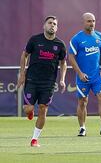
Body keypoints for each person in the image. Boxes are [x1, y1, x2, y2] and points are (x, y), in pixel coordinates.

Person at [16, 15, 67, 147]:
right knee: (28, 109)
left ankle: (34, 139)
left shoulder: (60, 45)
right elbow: (24, 55)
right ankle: (30, 112)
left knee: (43, 108)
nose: (52, 25)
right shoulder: (34, 40)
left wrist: (62, 79)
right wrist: (22, 74)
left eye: (55, 24)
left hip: (48, 83)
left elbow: (63, 63)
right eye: (50, 23)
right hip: (32, 79)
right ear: (44, 26)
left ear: (57, 27)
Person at [68, 12, 101, 137]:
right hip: (83, 77)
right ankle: (82, 128)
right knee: (83, 101)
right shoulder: (76, 39)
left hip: (97, 76)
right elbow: (71, 57)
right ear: (83, 22)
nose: (91, 23)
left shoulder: (99, 36)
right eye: (88, 21)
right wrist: (80, 73)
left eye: (93, 21)